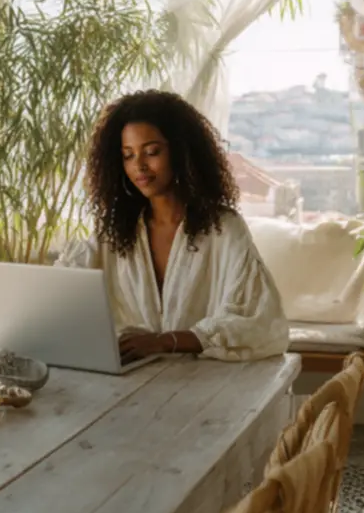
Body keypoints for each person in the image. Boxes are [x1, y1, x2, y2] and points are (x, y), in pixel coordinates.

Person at [57, 89, 289, 363]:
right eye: (128, 155)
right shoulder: (116, 230)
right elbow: (65, 284)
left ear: (181, 151)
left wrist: (165, 342)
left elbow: (260, 323)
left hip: (207, 379)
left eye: (151, 152)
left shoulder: (222, 227)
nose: (139, 166)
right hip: (133, 376)